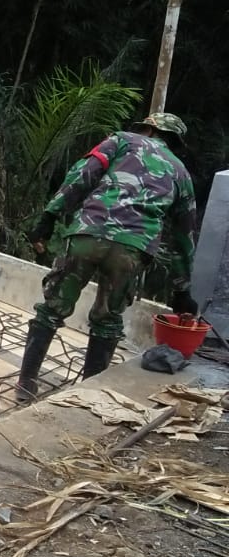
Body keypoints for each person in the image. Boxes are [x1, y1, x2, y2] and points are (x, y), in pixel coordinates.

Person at [16, 112, 198, 401]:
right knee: (108, 319)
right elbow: (183, 236)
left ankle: (26, 384)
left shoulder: (121, 141)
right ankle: (87, 392)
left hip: (87, 235)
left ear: (148, 130)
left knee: (52, 308)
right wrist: (182, 290)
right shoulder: (181, 173)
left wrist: (49, 217)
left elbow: (83, 175)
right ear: (174, 142)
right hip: (132, 248)